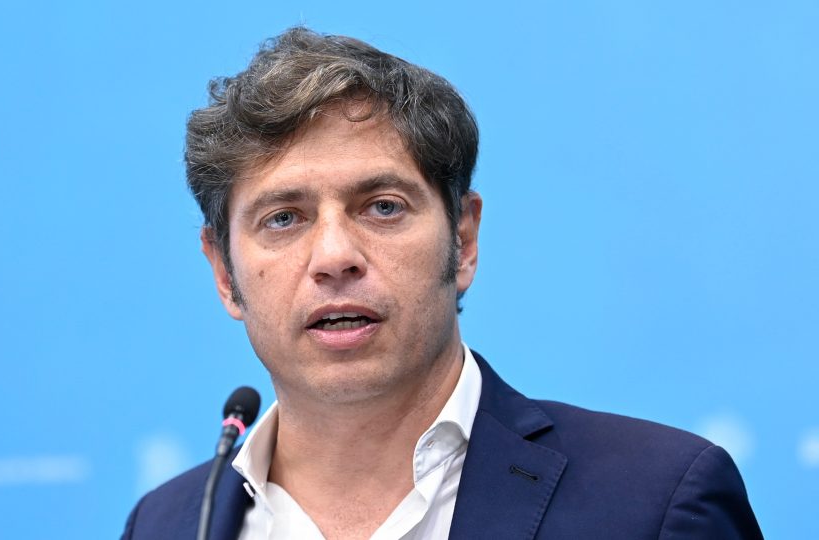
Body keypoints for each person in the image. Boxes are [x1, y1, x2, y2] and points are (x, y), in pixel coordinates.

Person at [121, 27, 762, 540]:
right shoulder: (166, 524)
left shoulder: (653, 501)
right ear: (224, 272)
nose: (335, 256)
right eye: (283, 218)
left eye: (383, 207)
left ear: (464, 241)